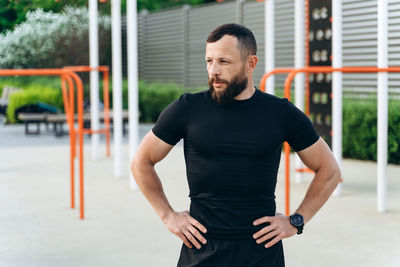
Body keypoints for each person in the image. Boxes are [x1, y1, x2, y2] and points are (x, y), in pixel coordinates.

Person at [130, 23, 341, 267]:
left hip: (261, 252)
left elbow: (329, 170)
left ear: (251, 64)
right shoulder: (187, 108)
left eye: (224, 61)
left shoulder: (280, 113)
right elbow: (141, 162)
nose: (213, 70)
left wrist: (296, 221)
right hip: (201, 250)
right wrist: (168, 216)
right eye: (209, 61)